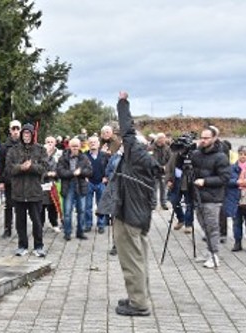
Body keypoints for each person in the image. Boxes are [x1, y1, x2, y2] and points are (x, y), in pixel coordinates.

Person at [104, 91, 163, 317]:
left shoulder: (136, 155)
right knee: (139, 259)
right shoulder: (145, 160)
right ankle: (138, 295)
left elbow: (127, 130)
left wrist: (122, 103)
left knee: (132, 261)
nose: (122, 144)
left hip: (129, 216)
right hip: (139, 216)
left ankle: (138, 304)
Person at [6, 123, 48, 257]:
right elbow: (9, 169)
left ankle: (38, 246)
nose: (26, 136)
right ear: (21, 135)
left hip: (34, 192)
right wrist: (21, 168)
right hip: (18, 192)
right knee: (20, 222)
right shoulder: (13, 150)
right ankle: (22, 245)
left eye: (28, 134)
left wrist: (31, 167)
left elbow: (43, 168)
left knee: (37, 221)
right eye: (24, 134)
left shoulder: (40, 150)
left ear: (32, 135)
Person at [191, 126, 231, 268]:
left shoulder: (220, 156)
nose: (203, 140)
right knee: (204, 226)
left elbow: (225, 177)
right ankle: (209, 252)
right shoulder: (196, 154)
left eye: (206, 138)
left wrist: (205, 181)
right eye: (202, 137)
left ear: (214, 138)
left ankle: (214, 255)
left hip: (213, 198)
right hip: (198, 197)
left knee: (212, 227)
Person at [57, 137, 93, 241]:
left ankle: (80, 232)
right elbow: (60, 172)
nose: (75, 148)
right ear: (69, 146)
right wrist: (73, 173)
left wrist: (80, 172)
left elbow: (90, 171)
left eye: (77, 146)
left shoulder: (84, 158)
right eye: (73, 146)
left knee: (81, 210)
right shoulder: (63, 158)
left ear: (80, 146)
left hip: (81, 185)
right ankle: (67, 233)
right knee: (67, 211)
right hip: (68, 185)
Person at [0, 120, 21, 238]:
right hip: (9, 180)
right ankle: (8, 229)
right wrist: (1, 180)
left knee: (20, 206)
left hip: (21, 181)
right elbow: (0, 164)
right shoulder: (4, 146)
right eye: (13, 129)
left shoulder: (25, 145)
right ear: (10, 130)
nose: (16, 132)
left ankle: (20, 228)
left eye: (18, 129)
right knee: (9, 206)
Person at [225, 145, 246, 251]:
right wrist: (237, 182)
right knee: (236, 222)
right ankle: (237, 242)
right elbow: (227, 180)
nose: (243, 156)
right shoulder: (232, 167)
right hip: (235, 199)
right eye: (241, 154)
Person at [84, 135, 109, 233]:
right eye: (90, 142)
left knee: (101, 205)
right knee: (87, 206)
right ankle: (88, 224)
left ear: (98, 144)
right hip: (88, 182)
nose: (92, 143)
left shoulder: (105, 155)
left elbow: (110, 167)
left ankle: (101, 224)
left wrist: (106, 177)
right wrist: (84, 177)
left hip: (101, 183)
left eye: (94, 142)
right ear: (88, 144)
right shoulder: (84, 156)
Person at [165, 150, 194, 234]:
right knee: (174, 201)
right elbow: (168, 167)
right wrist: (168, 180)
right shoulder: (175, 154)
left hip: (189, 183)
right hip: (176, 182)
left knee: (189, 204)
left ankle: (188, 224)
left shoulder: (193, 154)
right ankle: (181, 219)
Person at [41, 136, 63, 233]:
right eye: (47, 142)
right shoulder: (39, 159)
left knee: (52, 206)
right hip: (41, 186)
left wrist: (55, 174)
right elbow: (38, 171)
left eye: (51, 142)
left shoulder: (56, 158)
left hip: (52, 185)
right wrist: (47, 174)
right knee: (40, 207)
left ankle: (54, 223)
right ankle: (40, 225)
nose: (49, 145)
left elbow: (58, 170)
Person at [150, 133, 172, 210]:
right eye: (161, 139)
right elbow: (150, 159)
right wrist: (157, 166)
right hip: (154, 171)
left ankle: (163, 203)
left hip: (164, 172)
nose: (162, 140)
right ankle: (153, 204)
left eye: (163, 139)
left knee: (164, 188)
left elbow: (170, 159)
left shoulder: (167, 148)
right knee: (154, 188)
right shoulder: (151, 148)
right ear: (157, 139)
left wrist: (166, 166)